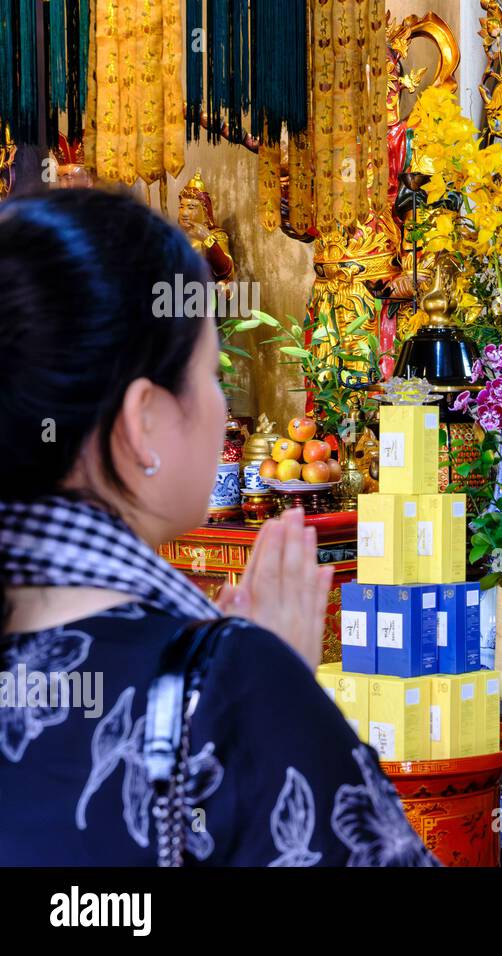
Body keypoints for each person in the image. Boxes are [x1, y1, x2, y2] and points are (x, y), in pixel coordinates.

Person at [0, 190, 434, 866]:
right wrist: (277, 696)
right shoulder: (226, 684)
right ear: (142, 422)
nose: (219, 404)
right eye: (210, 374)